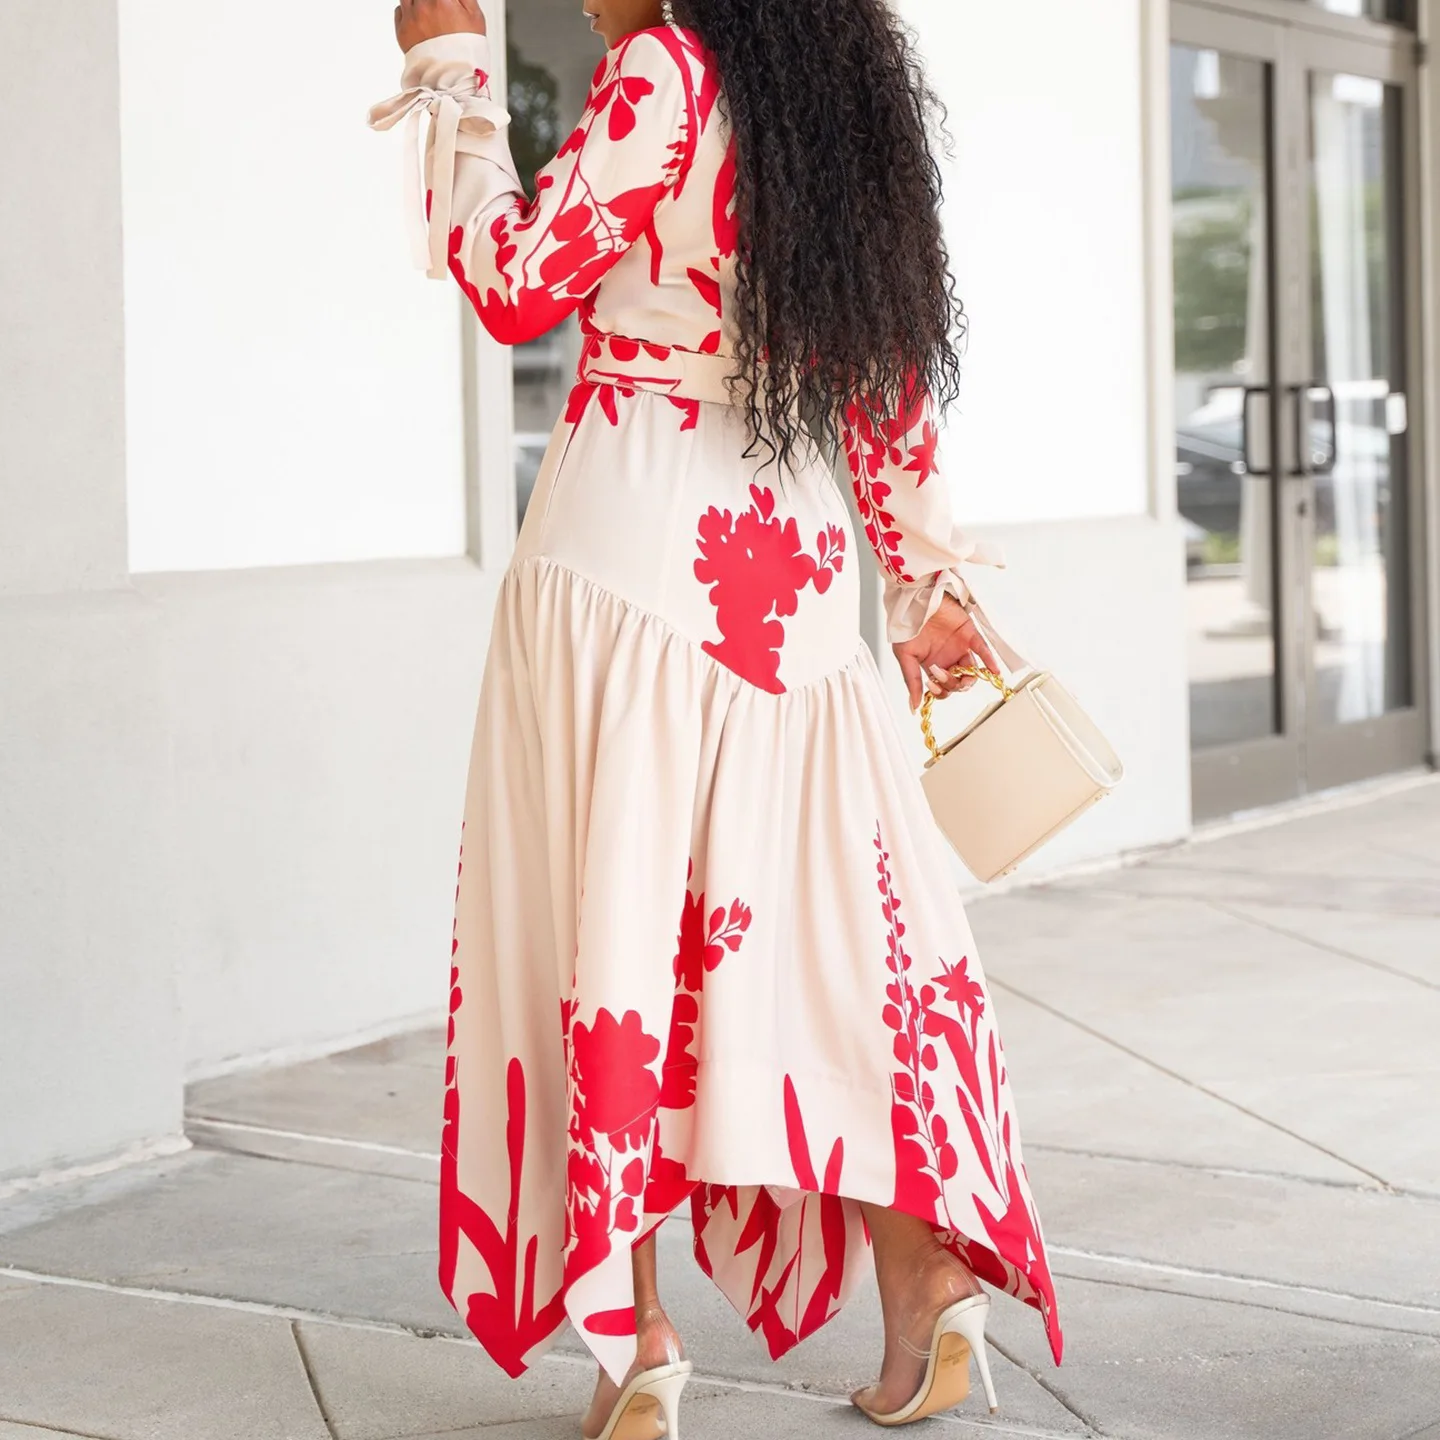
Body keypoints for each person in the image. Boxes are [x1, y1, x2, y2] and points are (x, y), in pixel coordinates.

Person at [371, 0, 1062, 1433]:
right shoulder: (837, 109)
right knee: (825, 954)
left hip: (628, 567)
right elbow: (883, 388)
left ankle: (641, 1346)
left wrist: (451, 75)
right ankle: (926, 1293)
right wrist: (918, 581)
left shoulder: (664, 75)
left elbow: (513, 281)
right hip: (798, 596)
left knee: (609, 926)